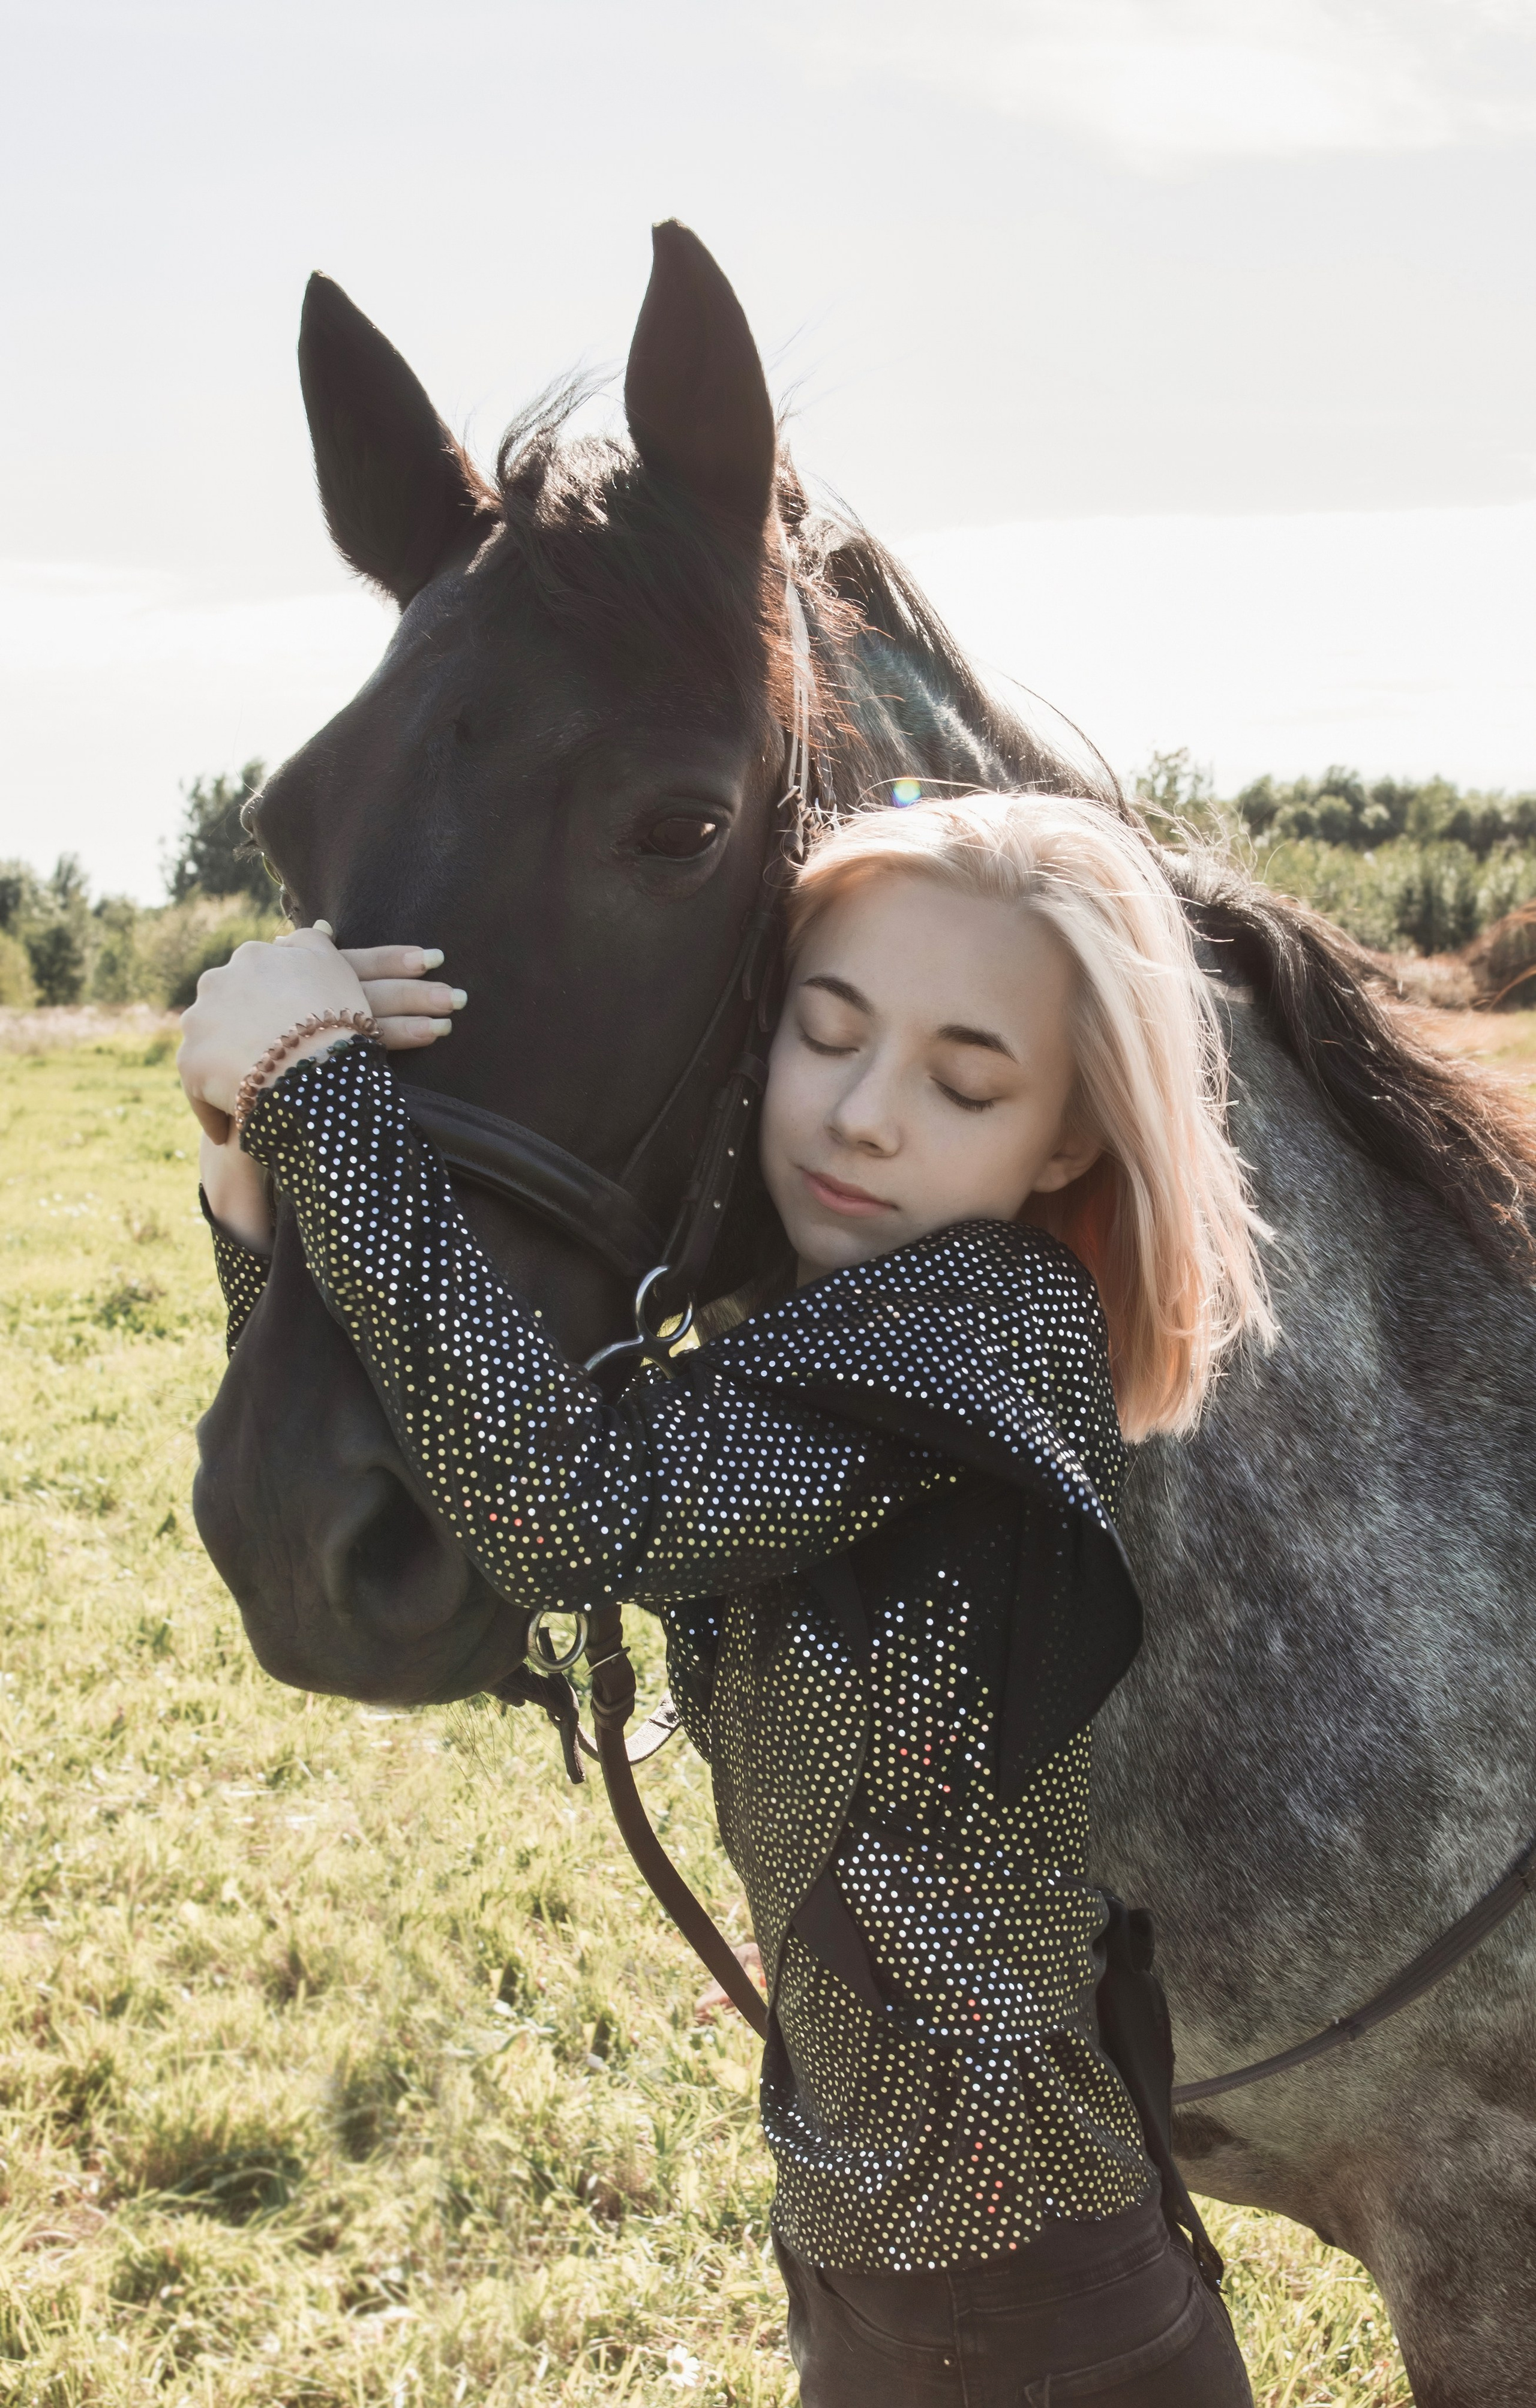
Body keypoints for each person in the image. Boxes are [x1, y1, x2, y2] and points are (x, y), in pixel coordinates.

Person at [179, 792, 1270, 2404]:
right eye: (828, 1035)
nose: (866, 1115)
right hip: (894, 2271)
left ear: (1066, 1141)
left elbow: (565, 1508)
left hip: (1030, 2311)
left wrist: (321, 1095)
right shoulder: (796, 1332)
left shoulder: (984, 1318)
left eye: (966, 1082)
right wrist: (248, 1178)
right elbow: (459, 1521)